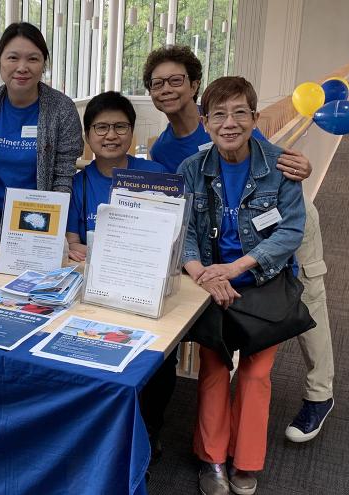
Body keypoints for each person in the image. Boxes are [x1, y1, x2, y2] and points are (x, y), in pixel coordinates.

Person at [144, 45, 335, 446]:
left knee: (306, 299)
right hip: (223, 238)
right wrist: (202, 268)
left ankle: (320, 393)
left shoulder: (226, 111)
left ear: (194, 85)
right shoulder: (165, 148)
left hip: (279, 219)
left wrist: (305, 166)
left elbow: (274, 164)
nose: (167, 89)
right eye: (157, 83)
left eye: (176, 80)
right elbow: (186, 214)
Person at [180, 76, 306, 495]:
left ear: (255, 118)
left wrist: (235, 269)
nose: (228, 123)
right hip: (211, 282)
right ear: (205, 121)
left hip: (262, 279)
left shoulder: (281, 165)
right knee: (214, 367)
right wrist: (202, 274)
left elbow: (289, 232)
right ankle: (212, 458)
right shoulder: (192, 169)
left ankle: (247, 461)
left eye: (239, 113)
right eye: (218, 114)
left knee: (256, 373)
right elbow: (185, 234)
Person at [0, 22, 83, 247]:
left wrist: (49, 232)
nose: (22, 67)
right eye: (13, 58)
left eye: (33, 59)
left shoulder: (62, 109)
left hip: (41, 229)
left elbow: (63, 178)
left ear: (43, 64)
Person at [65, 91, 166, 261]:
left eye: (120, 126)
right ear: (88, 136)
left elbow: (167, 241)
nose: (111, 135)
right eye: (101, 127)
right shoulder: (77, 184)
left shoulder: (156, 176)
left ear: (132, 131)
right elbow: (73, 243)